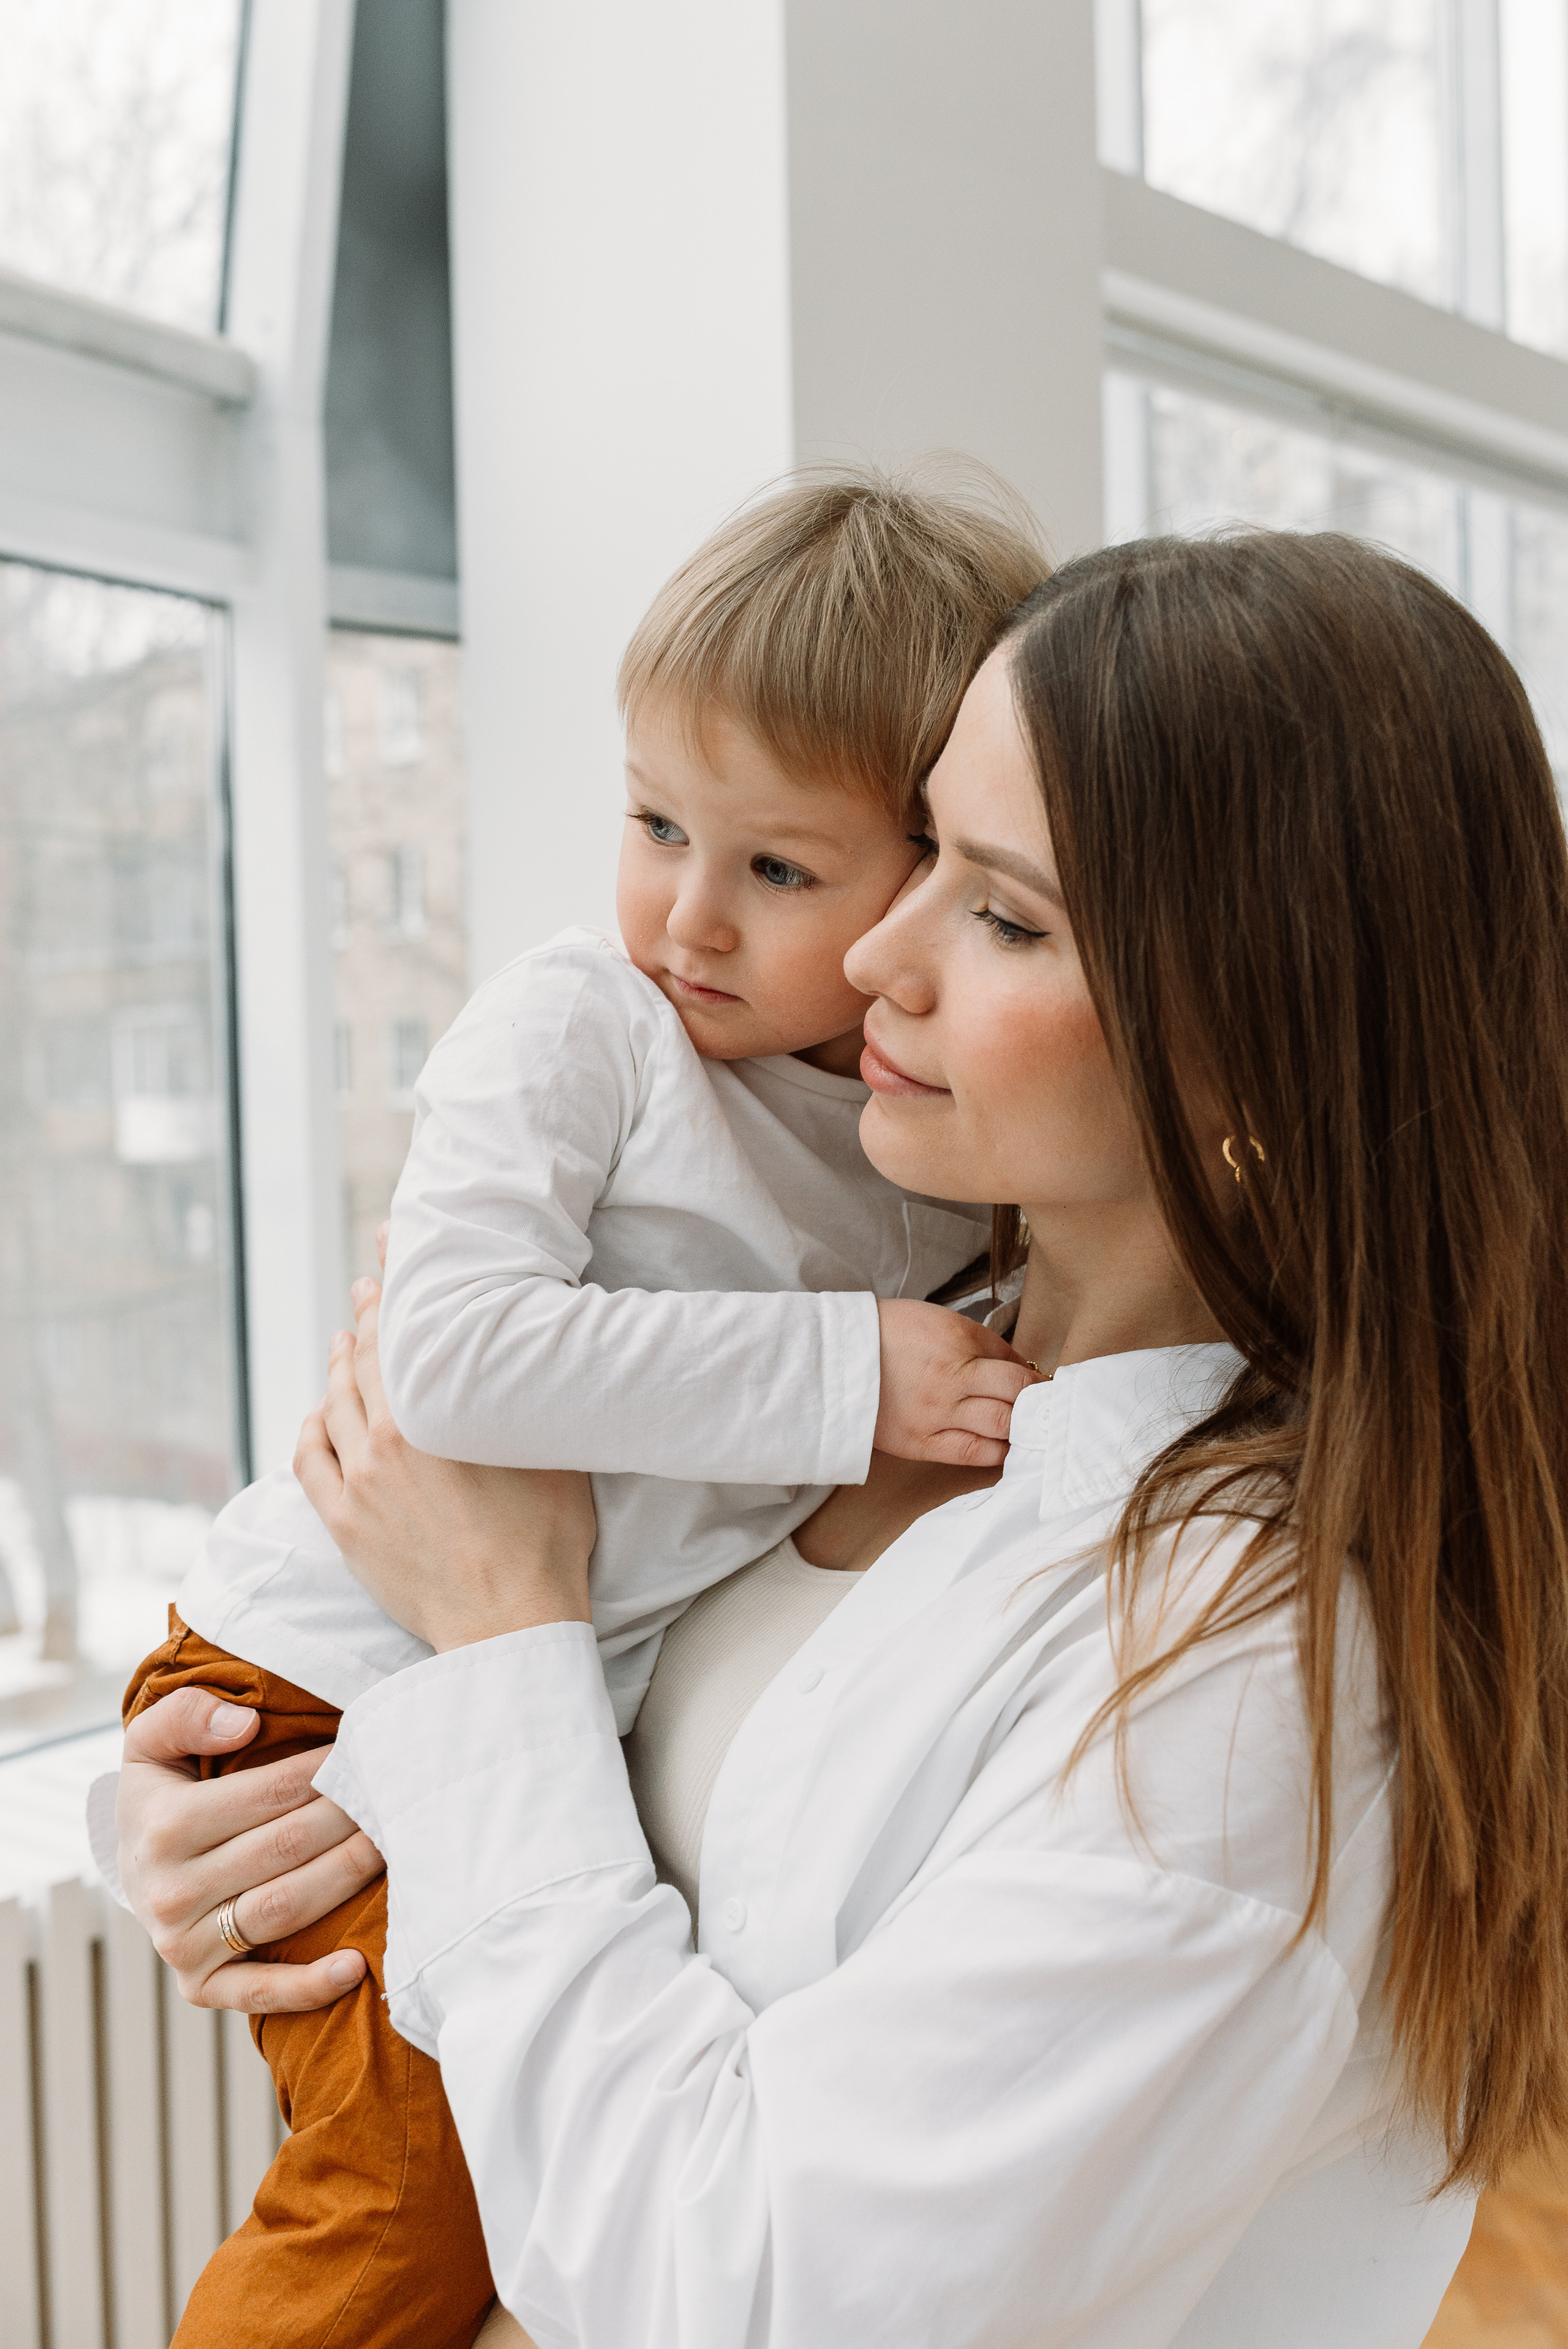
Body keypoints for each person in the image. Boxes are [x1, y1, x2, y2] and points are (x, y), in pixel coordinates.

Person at [118, 530, 1568, 2347]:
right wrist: (233, 1824)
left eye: (1007, 912)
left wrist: (497, 1633)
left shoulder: (1250, 1690)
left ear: (1257, 1068)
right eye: (925, 848)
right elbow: (597, 1810)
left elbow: (756, 2298)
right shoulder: (869, 1341)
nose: (875, 949)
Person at [113, 469, 1049, 2348]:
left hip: (489, 1700)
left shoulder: (935, 1175)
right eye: (651, 824)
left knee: (461, 2222)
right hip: (313, 1673)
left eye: (779, 868)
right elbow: (447, 1359)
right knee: (406, 2205)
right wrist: (847, 1372)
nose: (686, 916)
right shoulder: (583, 1026)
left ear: (916, 880)